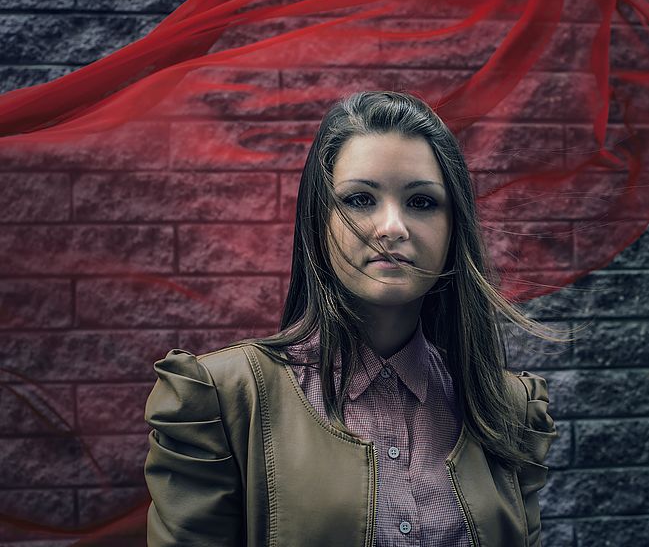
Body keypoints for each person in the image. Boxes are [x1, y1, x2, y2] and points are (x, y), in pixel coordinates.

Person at [143, 90, 560, 546]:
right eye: (360, 199)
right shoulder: (221, 400)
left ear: (453, 227)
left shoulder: (509, 408)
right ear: (317, 220)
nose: (392, 227)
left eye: (422, 202)